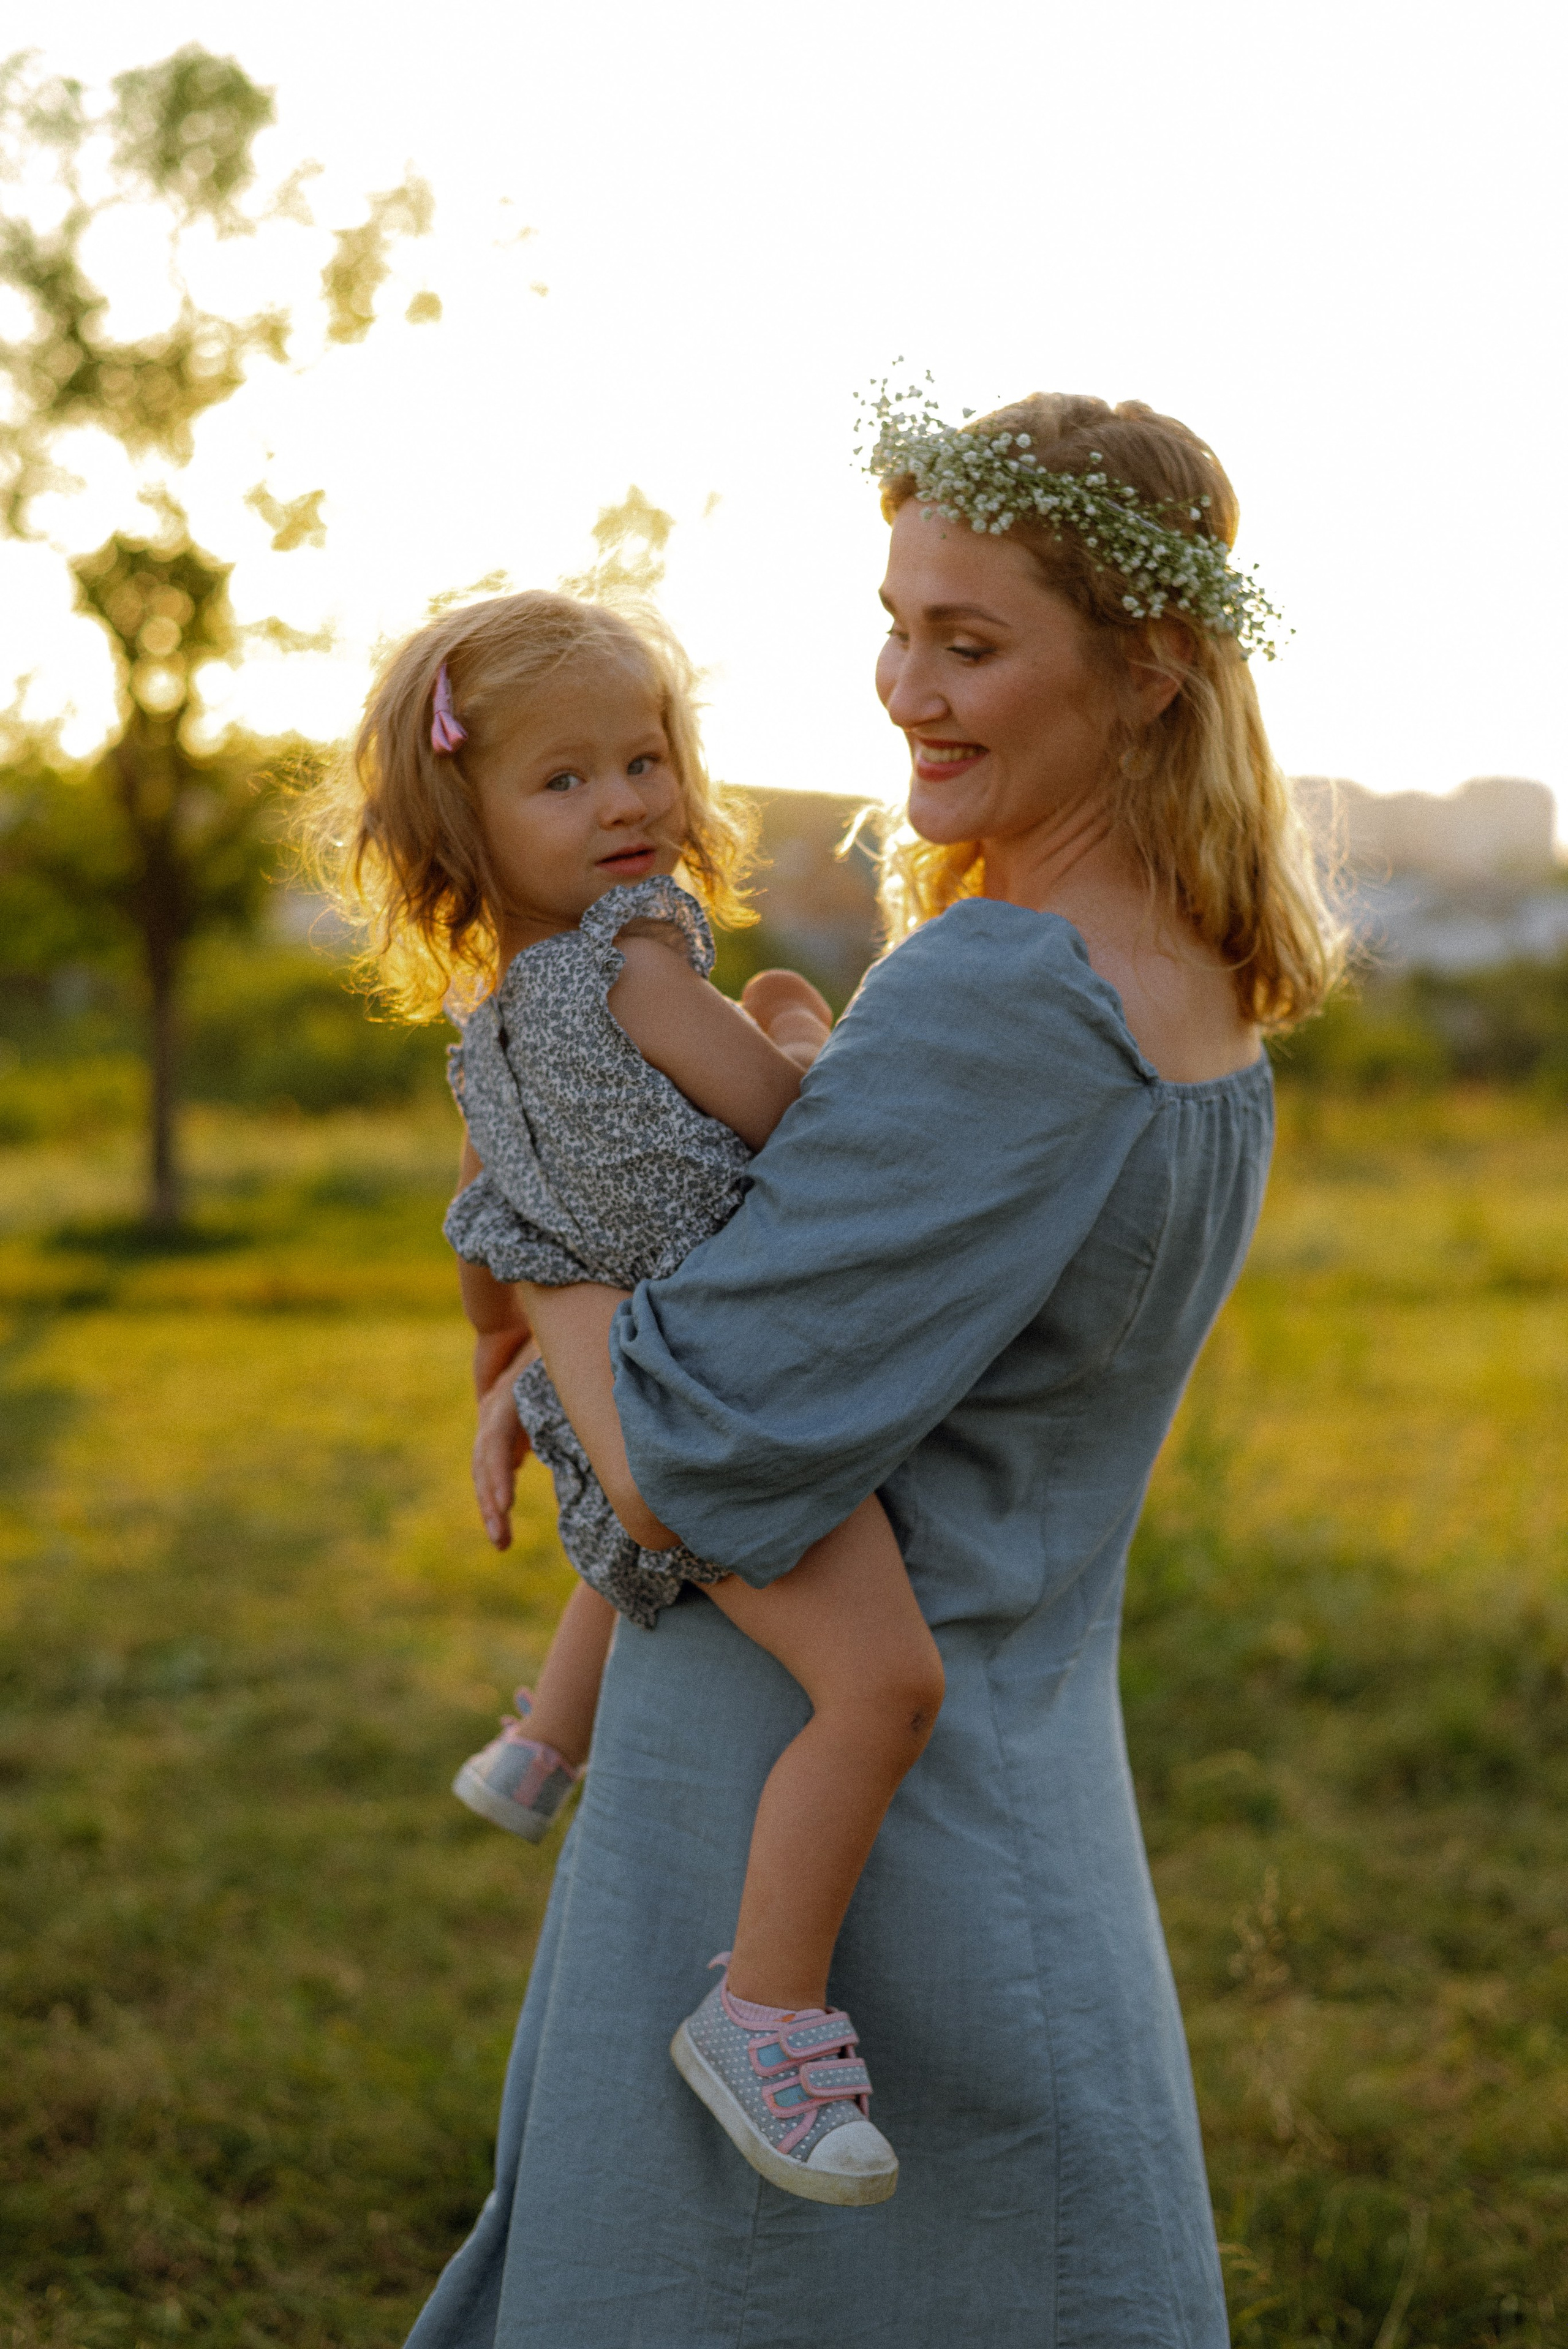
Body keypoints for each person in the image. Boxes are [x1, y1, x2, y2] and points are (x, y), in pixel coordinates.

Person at [404, 388, 1343, 2348]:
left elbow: (680, 1451)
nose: (907, 684)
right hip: (1020, 1783)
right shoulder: (1186, 978)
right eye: (898, 620)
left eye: (973, 643)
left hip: (829, 1847)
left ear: (1153, 669)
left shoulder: (1009, 987)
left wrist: (530, 1239)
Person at [304, 586, 949, 2206]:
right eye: (567, 778)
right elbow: (784, 1124)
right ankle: (767, 2012)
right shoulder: (641, 962)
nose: (628, 801)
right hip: (719, 1391)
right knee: (883, 1686)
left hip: (619, 1393)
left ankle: (541, 1737)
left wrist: (502, 1366)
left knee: (628, 1538)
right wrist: (799, 1023)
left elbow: (485, 1209)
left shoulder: (489, 1021)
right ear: (467, 813)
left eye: (645, 759)